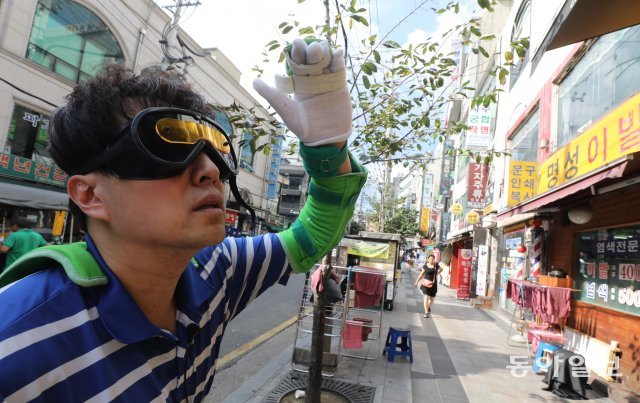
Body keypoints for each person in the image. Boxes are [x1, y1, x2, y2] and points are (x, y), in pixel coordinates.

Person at [0, 38, 366, 402]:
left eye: (216, 150)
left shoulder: (217, 270)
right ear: (90, 195)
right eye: (166, 145)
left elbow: (311, 235)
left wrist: (327, 152)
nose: (209, 171)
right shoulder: (15, 346)